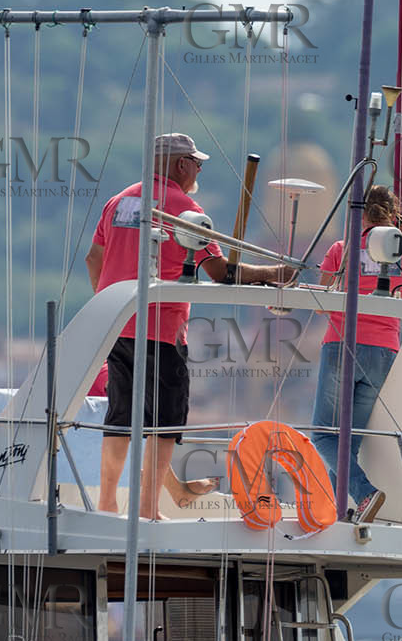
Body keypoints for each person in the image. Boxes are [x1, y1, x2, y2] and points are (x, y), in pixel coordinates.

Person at [87, 132, 292, 520]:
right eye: (197, 163)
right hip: (162, 331)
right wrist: (275, 271)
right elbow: (220, 272)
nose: (199, 169)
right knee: (165, 422)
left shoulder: (117, 203)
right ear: (182, 164)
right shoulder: (186, 210)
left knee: (120, 416)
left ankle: (108, 504)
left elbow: (92, 258)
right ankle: (147, 509)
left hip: (118, 326)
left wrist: (110, 303)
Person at [310, 184, 402, 523]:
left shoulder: (341, 249)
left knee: (323, 435)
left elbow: (322, 304)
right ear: (392, 213)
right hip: (384, 349)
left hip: (342, 344)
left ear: (358, 212)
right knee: (349, 443)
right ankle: (342, 511)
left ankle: (365, 493)